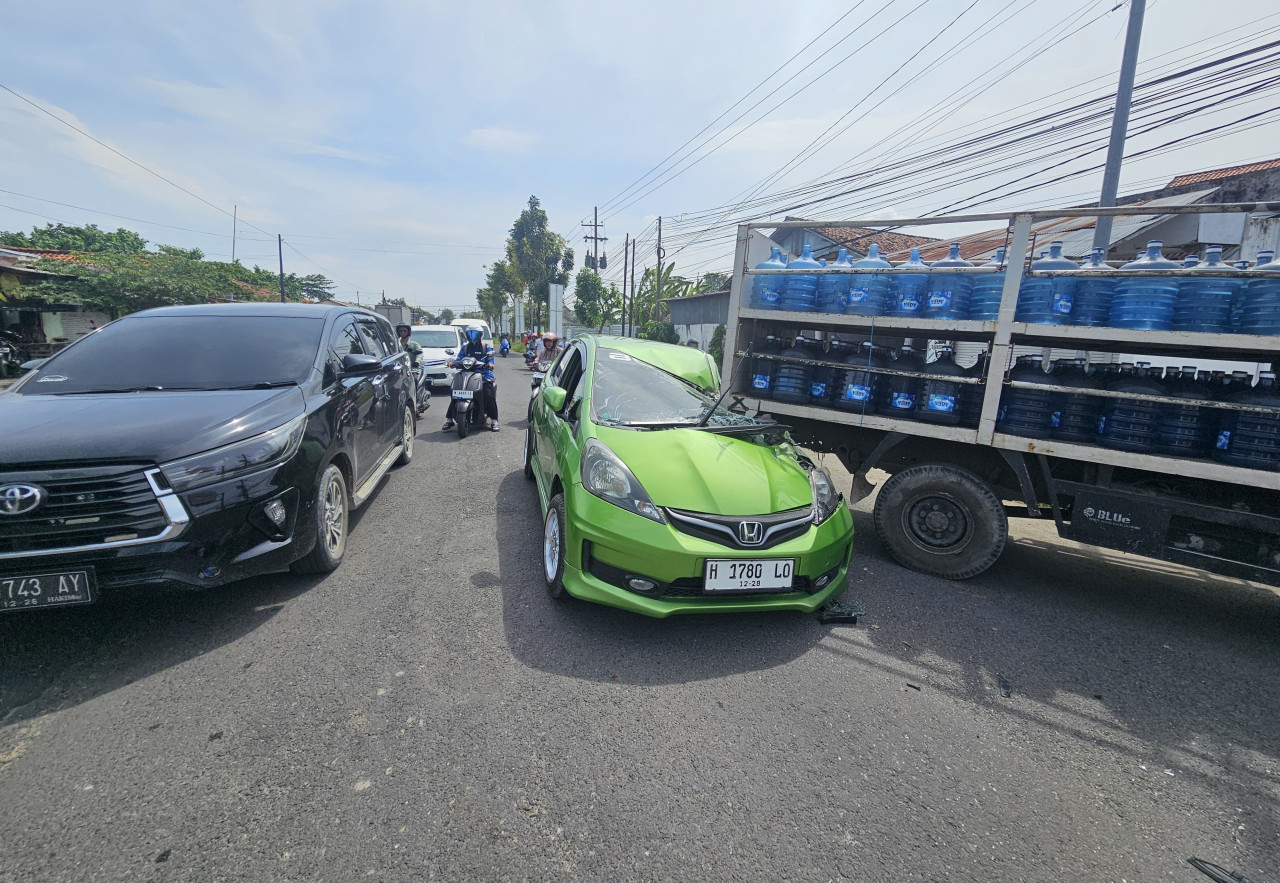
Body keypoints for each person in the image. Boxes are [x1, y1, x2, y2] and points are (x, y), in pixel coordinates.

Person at [444, 324, 499, 432]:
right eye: (470, 334)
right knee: (456, 392)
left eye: (475, 334)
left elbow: (490, 358)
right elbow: (459, 358)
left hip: (483, 374)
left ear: (480, 335)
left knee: (488, 394)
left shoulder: (485, 347)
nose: (473, 336)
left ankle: (494, 421)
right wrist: (453, 363)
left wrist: (490, 364)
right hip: (466, 373)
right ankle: (449, 419)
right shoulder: (465, 347)